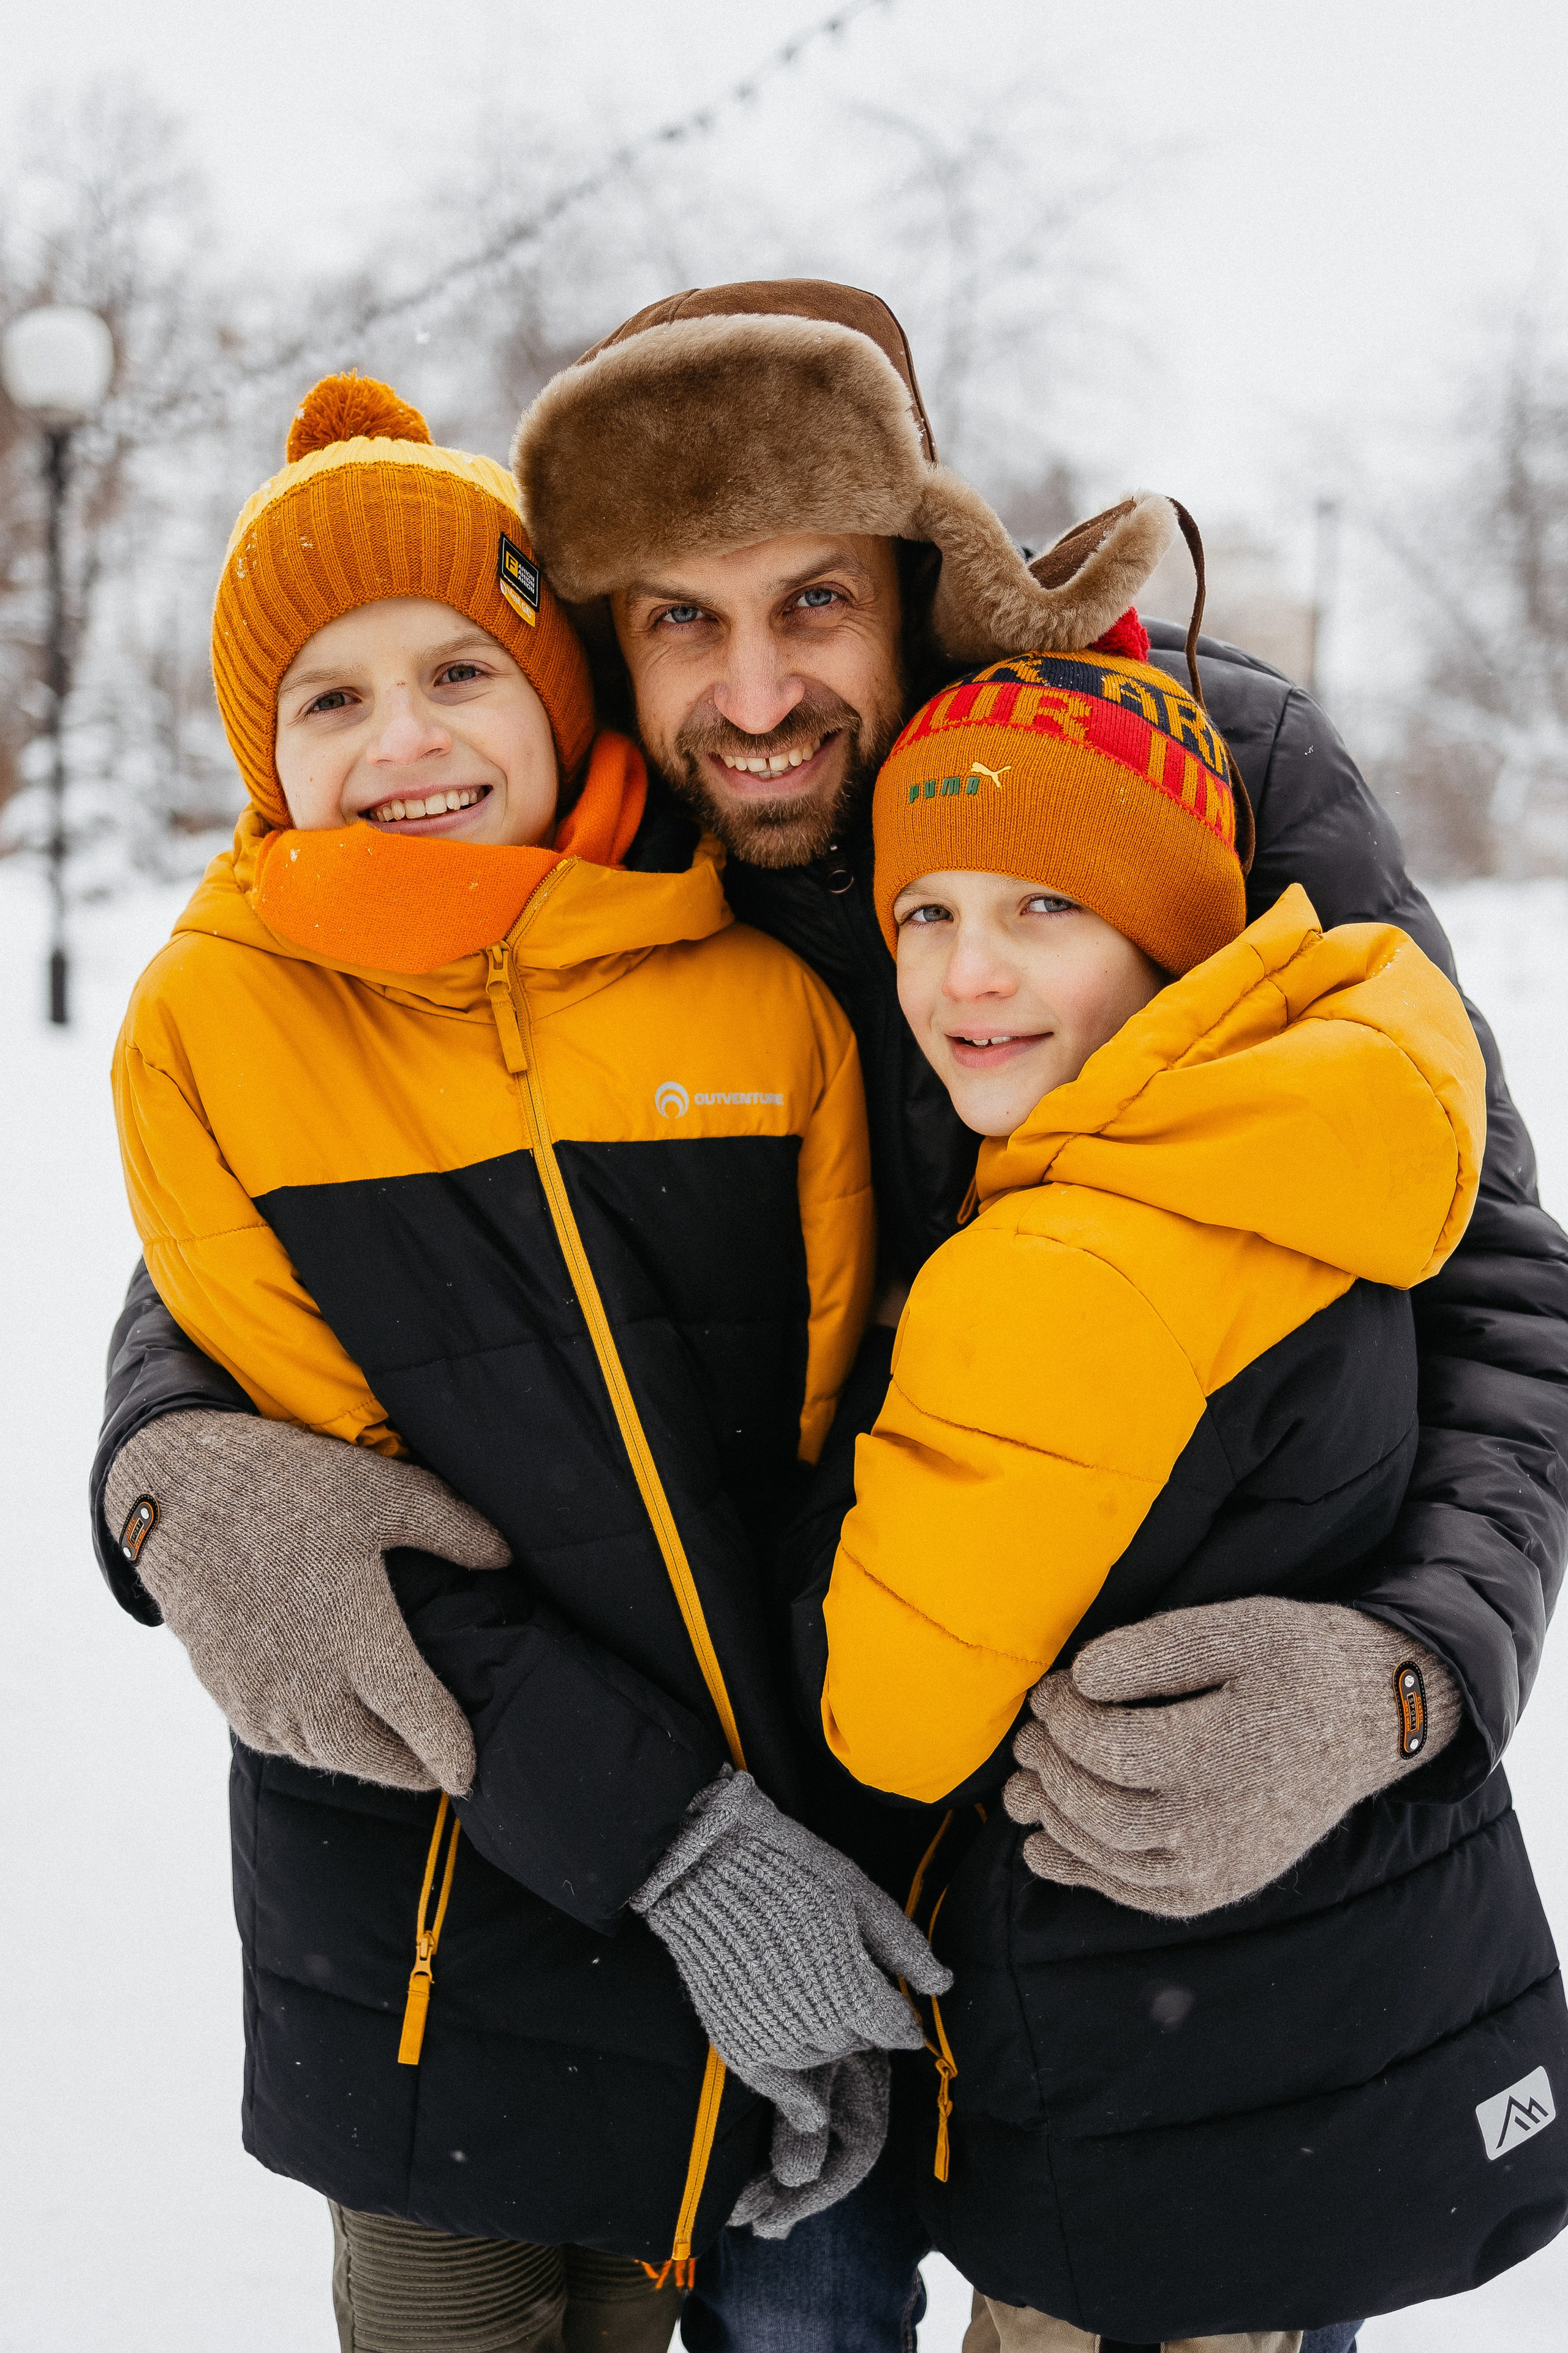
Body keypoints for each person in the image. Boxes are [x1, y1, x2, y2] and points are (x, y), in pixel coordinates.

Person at [91, 284, 1568, 2352]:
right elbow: (300, 1166)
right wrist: (172, 1458)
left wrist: (1407, 1671)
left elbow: (1483, 1262)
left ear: (917, 571)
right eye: (679, 620)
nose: (758, 689)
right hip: (770, 1866)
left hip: (1156, 1883)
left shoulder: (1191, 761)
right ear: (599, 644)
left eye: (814, 601)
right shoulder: (573, 838)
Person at [103, 370, 949, 2352]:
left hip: (738, 1893)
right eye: (330, 696)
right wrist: (663, 1833)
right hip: (416, 1880)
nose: (404, 738)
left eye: (458, 670)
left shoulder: (757, 1002)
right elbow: (339, 1505)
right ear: (265, 753)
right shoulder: (213, 1027)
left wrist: (779, 1841)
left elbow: (814, 1454)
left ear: (560, 692)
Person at [788, 641, 1568, 2350]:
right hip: (1341, 2030)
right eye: (925, 913)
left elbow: (890, 1721)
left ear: (1169, 935)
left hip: (1133, 2104)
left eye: (1045, 907)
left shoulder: (1052, 1274)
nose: (968, 972)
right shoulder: (1325, 1140)